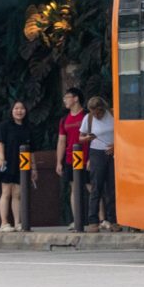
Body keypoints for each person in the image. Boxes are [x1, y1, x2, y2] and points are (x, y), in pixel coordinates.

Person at [0, 101, 37, 232]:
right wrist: (1, 158)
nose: (19, 111)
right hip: (8, 162)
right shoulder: (5, 125)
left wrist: (33, 168)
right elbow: (0, 143)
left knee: (17, 194)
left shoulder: (28, 127)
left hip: (23, 165)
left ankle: (18, 222)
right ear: (11, 111)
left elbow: (31, 150)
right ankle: (4, 223)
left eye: (22, 108)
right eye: (16, 108)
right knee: (6, 192)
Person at [82, 96, 120, 233]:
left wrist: (116, 145)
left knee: (111, 187)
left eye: (98, 112)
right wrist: (87, 138)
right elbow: (81, 137)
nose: (96, 115)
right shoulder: (89, 118)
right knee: (96, 187)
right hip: (96, 152)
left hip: (112, 153)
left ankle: (113, 220)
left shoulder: (113, 114)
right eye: (93, 113)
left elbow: (122, 132)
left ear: (103, 109)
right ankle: (93, 220)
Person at [55, 87, 89, 230]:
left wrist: (92, 157)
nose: (65, 100)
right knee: (74, 188)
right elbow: (61, 141)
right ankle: (77, 220)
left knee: (91, 187)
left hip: (87, 157)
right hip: (70, 159)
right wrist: (59, 161)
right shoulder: (64, 119)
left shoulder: (87, 116)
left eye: (67, 97)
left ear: (76, 98)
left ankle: (100, 219)